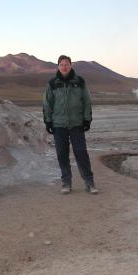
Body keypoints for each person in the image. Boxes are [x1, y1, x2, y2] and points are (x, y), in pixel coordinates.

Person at [43, 55, 98, 195]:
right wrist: (48, 121)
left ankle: (89, 182)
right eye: (61, 64)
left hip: (76, 124)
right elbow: (47, 103)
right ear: (58, 66)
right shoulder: (52, 83)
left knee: (81, 153)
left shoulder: (79, 81)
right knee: (62, 153)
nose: (64, 67)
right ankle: (66, 182)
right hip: (59, 124)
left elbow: (86, 101)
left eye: (66, 64)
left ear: (71, 65)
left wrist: (87, 119)